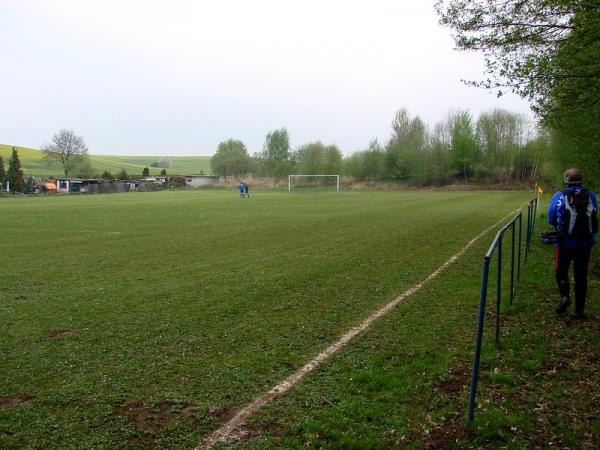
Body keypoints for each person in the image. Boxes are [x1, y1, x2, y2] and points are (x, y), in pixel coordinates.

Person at [548, 168, 598, 319]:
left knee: (561, 271)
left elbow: (551, 217)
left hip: (564, 243)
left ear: (566, 180)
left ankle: (565, 297)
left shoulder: (559, 196)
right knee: (581, 276)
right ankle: (579, 312)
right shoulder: (591, 195)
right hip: (586, 243)